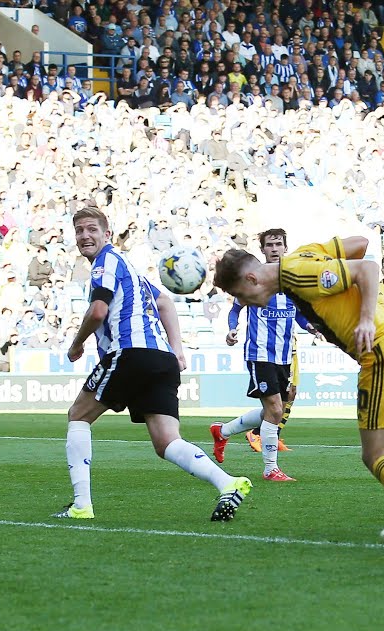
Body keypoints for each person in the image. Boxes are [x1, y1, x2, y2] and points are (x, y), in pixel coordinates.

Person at [214, 235, 384, 546]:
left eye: (239, 294)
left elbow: (366, 268)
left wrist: (364, 318)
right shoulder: (307, 253)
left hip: (381, 347)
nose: (242, 301)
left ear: (251, 278)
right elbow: (360, 242)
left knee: (377, 454)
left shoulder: (296, 271)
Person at [54, 207, 252, 522]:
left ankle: (81, 505)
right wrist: (177, 351)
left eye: (91, 229)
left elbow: (97, 312)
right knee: (166, 442)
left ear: (107, 234)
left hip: (130, 353)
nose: (84, 236)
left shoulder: (105, 263)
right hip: (161, 359)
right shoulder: (129, 268)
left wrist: (76, 344)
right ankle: (227, 483)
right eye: (79, 230)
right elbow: (164, 302)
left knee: (78, 415)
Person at [210, 228, 309, 482]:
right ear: (262, 249)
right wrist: (233, 329)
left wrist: (312, 326)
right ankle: (270, 469)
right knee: (275, 409)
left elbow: (298, 315)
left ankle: (222, 431)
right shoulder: (253, 278)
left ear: (285, 247)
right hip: (260, 353)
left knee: (273, 410)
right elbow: (235, 310)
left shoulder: (292, 281)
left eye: (278, 244)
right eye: (269, 245)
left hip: (284, 354)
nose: (274, 248)